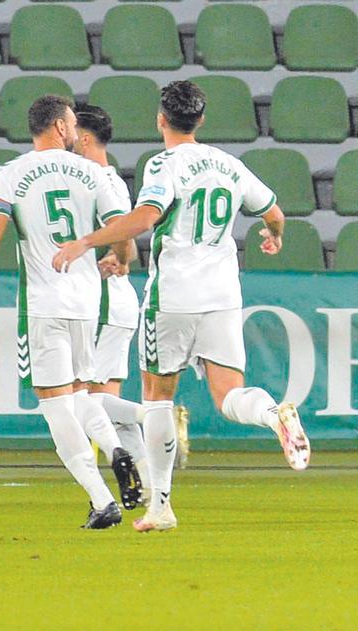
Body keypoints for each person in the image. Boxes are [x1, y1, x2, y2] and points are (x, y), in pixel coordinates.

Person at [51, 80, 311, 533]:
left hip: (173, 295)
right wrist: (274, 236)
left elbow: (148, 216)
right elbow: (273, 213)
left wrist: (87, 241)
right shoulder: (230, 164)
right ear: (202, 120)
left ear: (161, 119)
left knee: (157, 399)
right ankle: (274, 414)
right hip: (223, 295)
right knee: (229, 394)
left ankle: (162, 506)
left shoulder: (163, 164)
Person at [0, 95, 135, 529]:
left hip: (43, 301)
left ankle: (100, 497)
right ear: (58, 127)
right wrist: (121, 259)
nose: (73, 130)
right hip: (87, 304)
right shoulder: (94, 172)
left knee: (54, 404)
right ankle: (117, 449)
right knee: (82, 394)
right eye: (70, 123)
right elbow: (120, 230)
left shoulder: (11, 173)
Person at [71, 103, 148, 508]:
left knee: (81, 398)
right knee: (108, 409)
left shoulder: (93, 179)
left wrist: (114, 255)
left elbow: (125, 243)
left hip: (100, 299)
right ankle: (148, 490)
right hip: (119, 302)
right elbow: (129, 242)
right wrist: (120, 254)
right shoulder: (114, 179)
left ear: (83, 138)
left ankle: (154, 416)